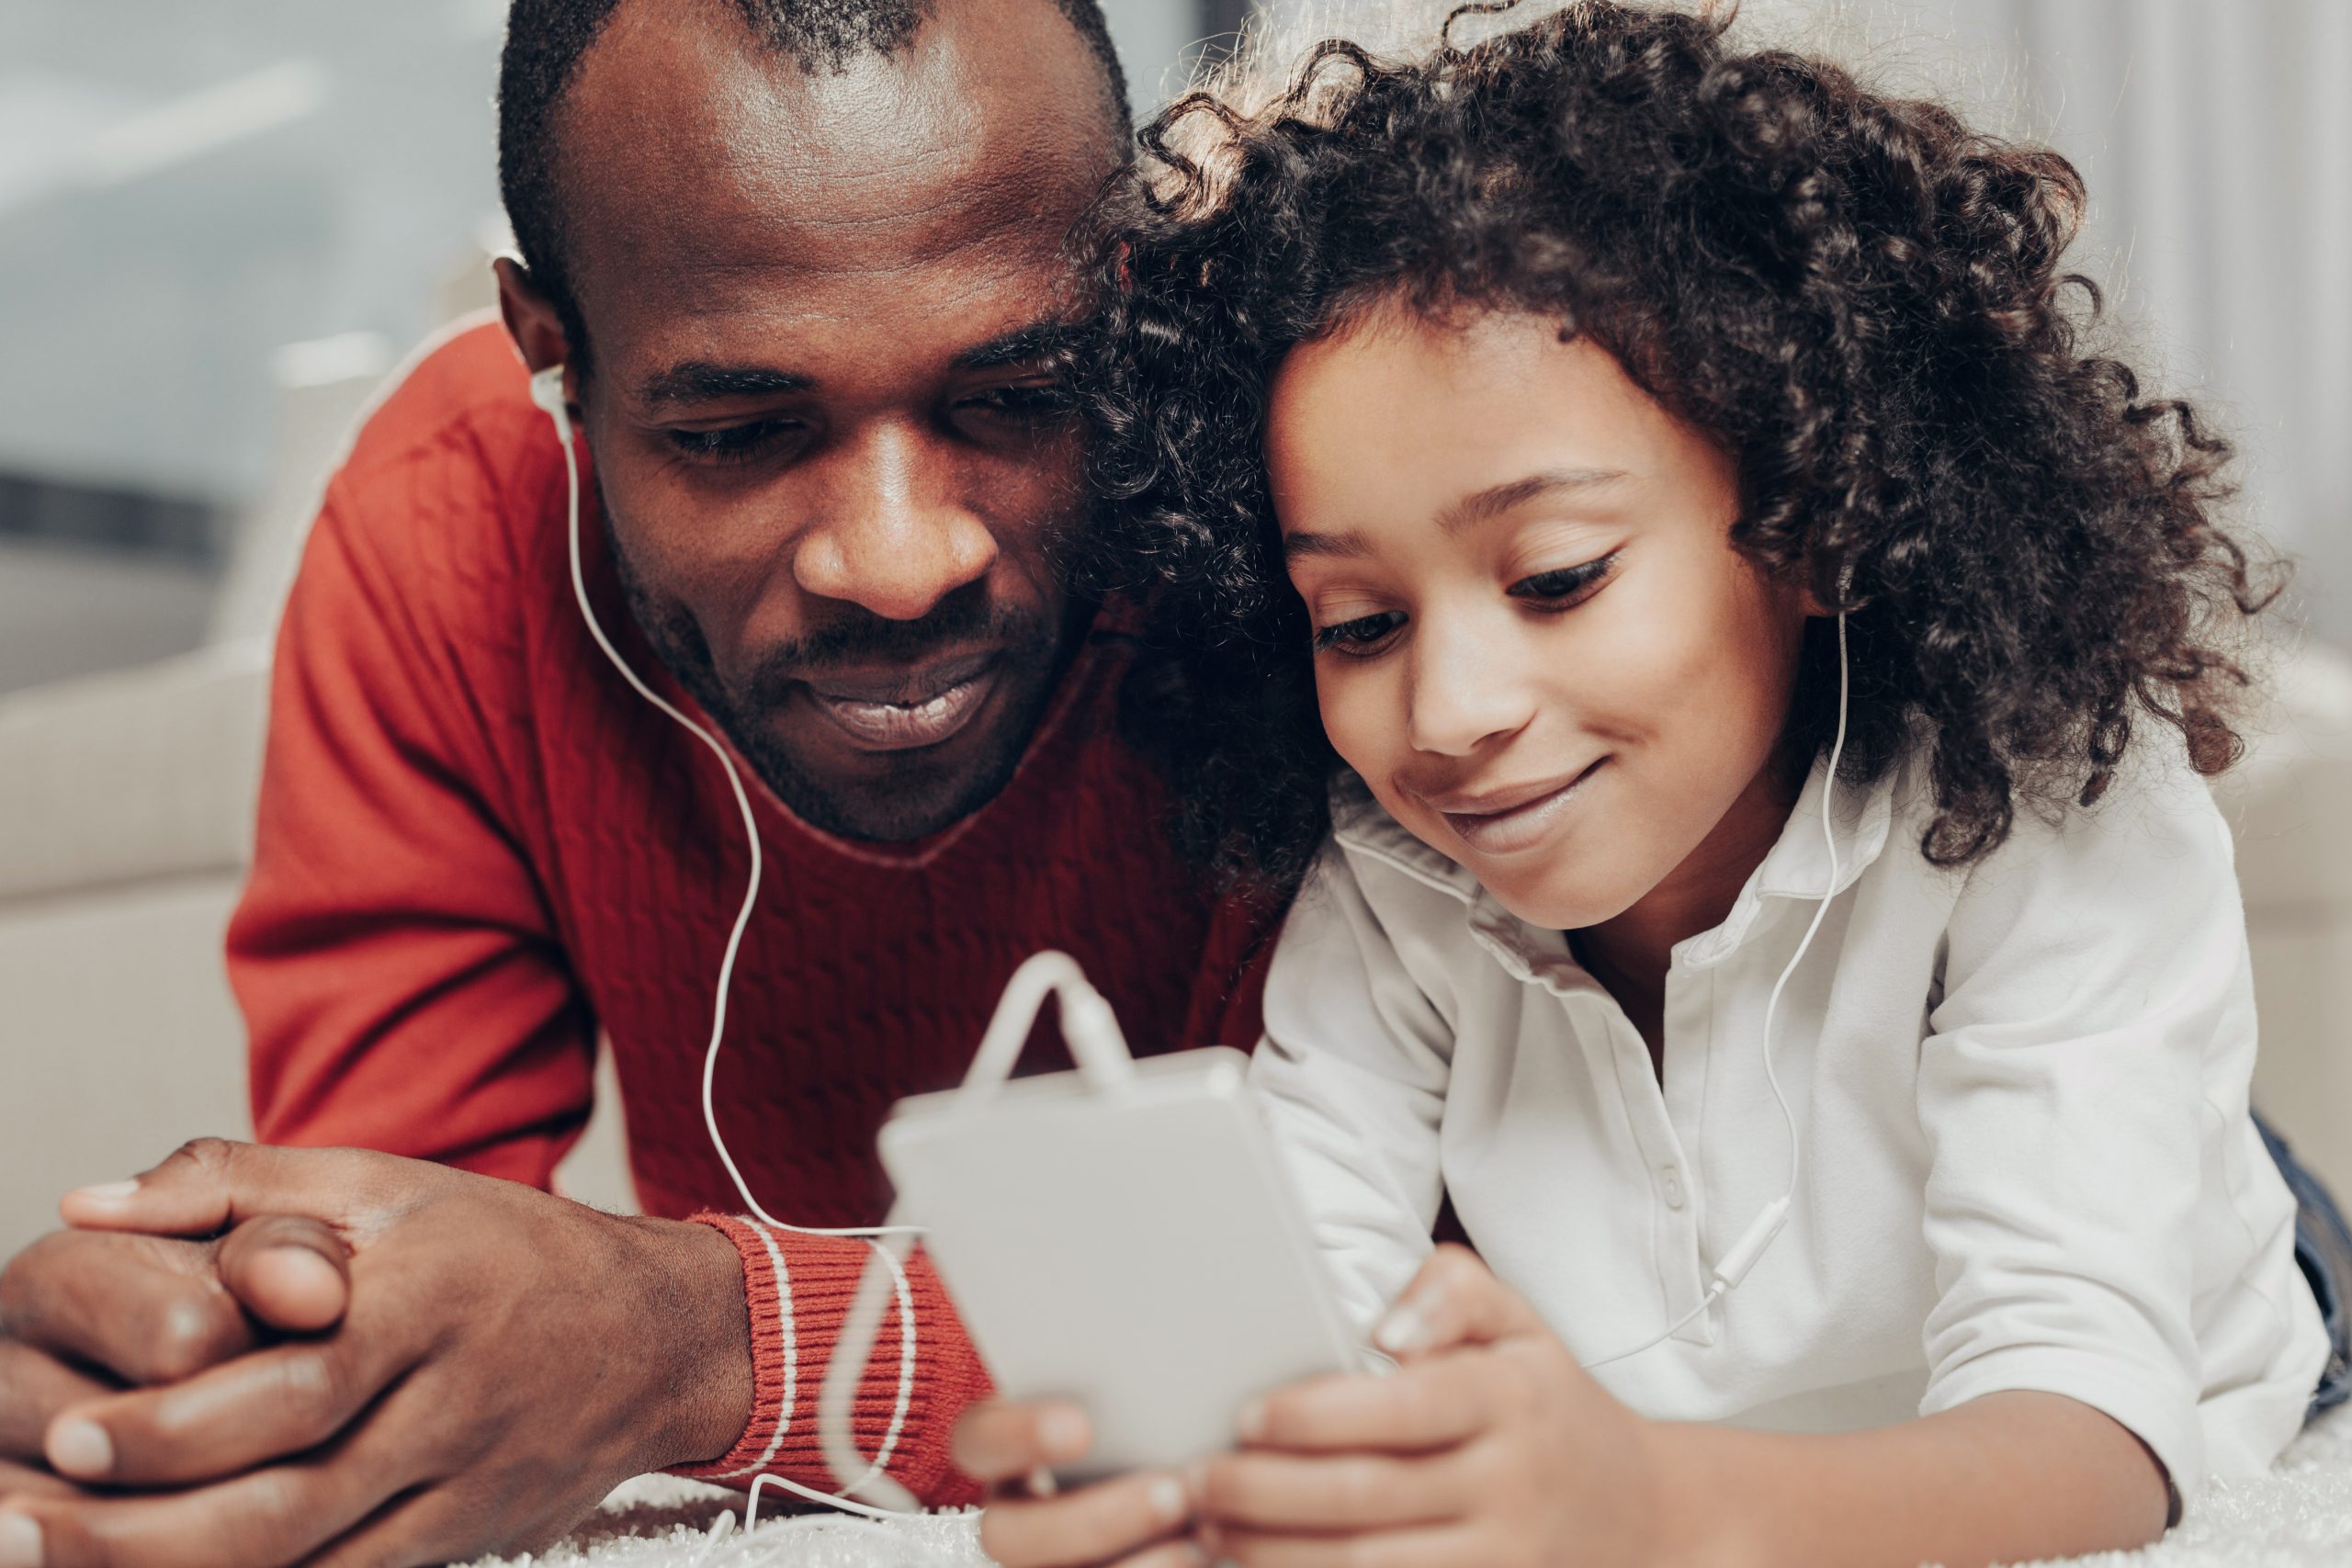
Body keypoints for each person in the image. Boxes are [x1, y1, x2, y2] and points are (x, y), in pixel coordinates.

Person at [958, 3, 2352, 1565]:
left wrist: (1651, 1509)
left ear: (1818, 522)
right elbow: (1310, 1321)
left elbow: (2099, 1445)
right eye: (1358, 621)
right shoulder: (1392, 887)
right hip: (1741, 1390)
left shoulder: (2043, 809)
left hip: (2221, 1293)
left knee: (2209, 1215)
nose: (1453, 710)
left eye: (1555, 577)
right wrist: (1178, 1479)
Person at [0, 3, 1281, 1565]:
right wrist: (251, 1354)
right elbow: (425, 1268)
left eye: (1020, 395)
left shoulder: (1316, 488)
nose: (899, 560)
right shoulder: (446, 532)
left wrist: (697, 1340)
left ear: (1125, 289)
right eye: (739, 432)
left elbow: (1398, 1284)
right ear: (553, 353)